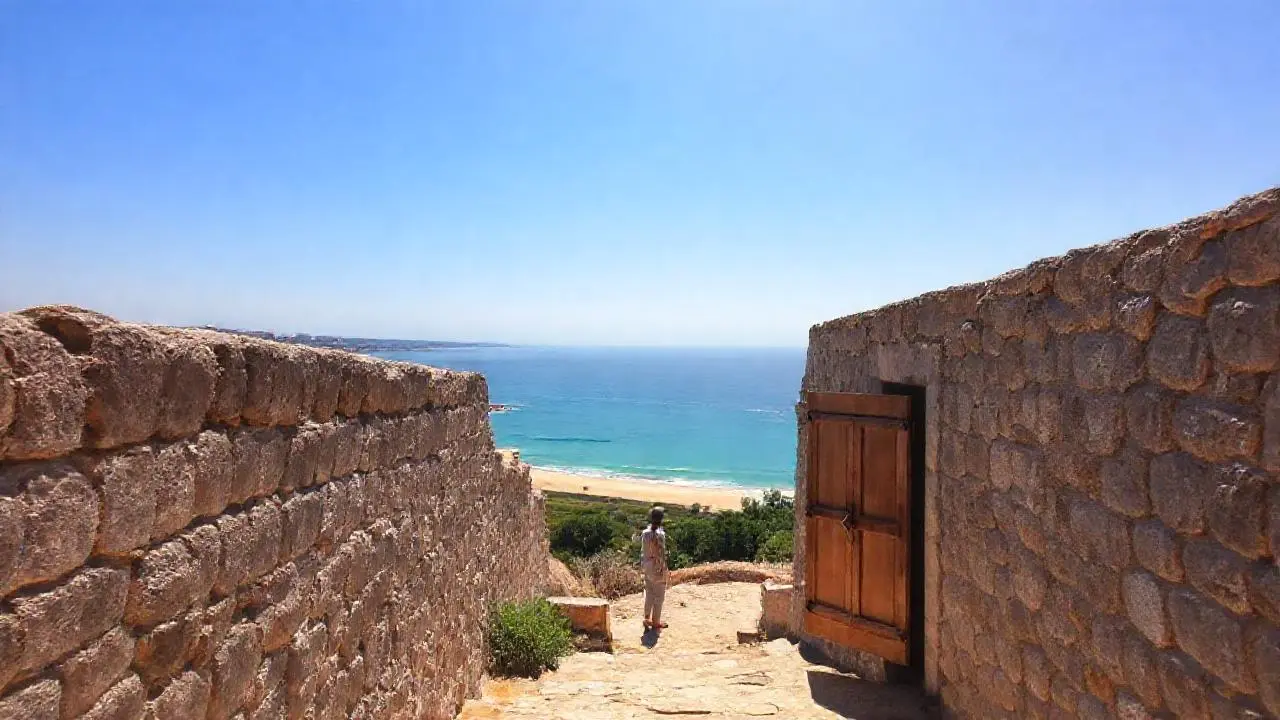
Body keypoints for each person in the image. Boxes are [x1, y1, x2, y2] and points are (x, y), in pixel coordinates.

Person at [640, 506, 669, 630]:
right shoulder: (661, 534)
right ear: (661, 519)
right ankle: (656, 622)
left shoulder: (645, 533)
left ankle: (647, 619)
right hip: (657, 567)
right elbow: (660, 553)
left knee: (650, 592)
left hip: (646, 565)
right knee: (659, 595)